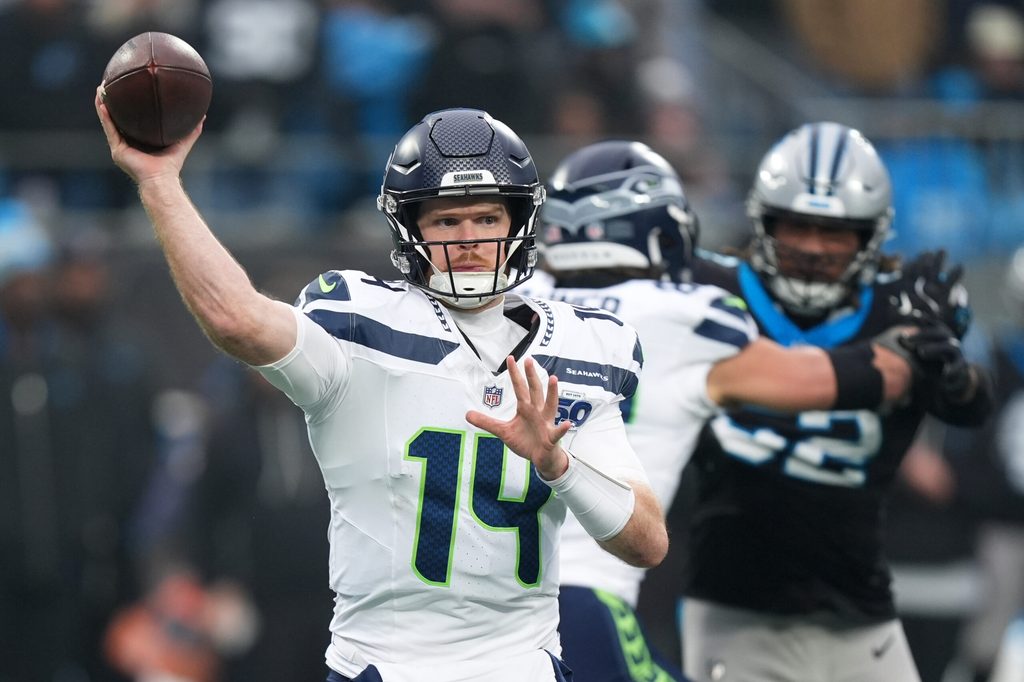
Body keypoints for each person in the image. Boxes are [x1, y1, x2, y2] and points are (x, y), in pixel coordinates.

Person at [95, 95, 669, 682]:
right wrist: (160, 182)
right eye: (447, 220)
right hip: (386, 666)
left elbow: (646, 543)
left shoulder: (581, 346)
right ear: (408, 226)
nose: (469, 239)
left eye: (487, 218)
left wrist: (559, 464)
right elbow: (236, 319)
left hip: (524, 665)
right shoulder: (358, 324)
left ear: (518, 223)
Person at [524, 139, 930, 682]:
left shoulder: (511, 305)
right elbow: (836, 381)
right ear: (662, 231)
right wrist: (914, 341)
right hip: (583, 593)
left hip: (489, 607)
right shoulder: (688, 316)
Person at [679, 121, 992, 682]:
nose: (814, 249)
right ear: (765, 222)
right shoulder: (709, 293)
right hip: (736, 605)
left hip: (858, 611)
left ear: (871, 237)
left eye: (835, 232)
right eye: (798, 226)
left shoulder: (900, 309)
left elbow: (971, 407)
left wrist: (951, 373)